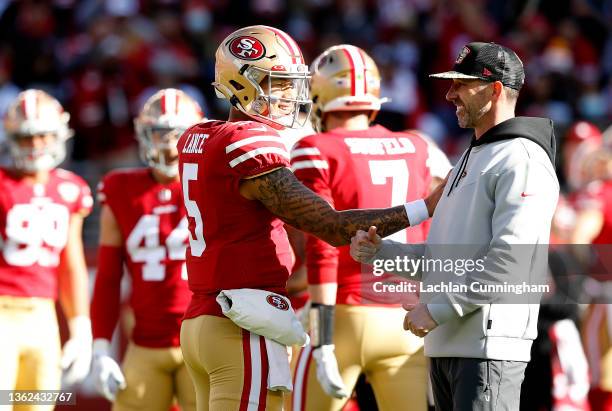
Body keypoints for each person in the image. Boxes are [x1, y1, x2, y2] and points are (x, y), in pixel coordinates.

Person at [176, 25, 445, 411]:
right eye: (278, 83)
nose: (287, 95)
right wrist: (425, 206)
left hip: (201, 324)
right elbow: (332, 228)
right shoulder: (250, 143)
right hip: (242, 326)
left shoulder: (199, 137)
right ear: (240, 82)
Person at [351, 41, 560, 410]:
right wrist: (382, 253)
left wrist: (436, 309)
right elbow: (445, 260)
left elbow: (510, 265)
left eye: (461, 84)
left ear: (495, 89)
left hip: (488, 349)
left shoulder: (523, 158)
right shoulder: (471, 155)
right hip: (449, 345)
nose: (449, 94)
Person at [289, 44, 451, 411]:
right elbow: (431, 234)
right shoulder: (416, 146)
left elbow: (322, 244)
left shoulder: (315, 148)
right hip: (406, 318)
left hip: (345, 314)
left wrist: (322, 335)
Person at [90, 88, 204, 411]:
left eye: (178, 136)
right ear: (143, 135)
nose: (169, 145)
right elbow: (109, 276)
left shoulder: (212, 186)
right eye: (159, 134)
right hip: (146, 341)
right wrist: (100, 347)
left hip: (203, 340)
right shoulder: (120, 189)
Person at [0, 89, 93, 402]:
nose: (36, 144)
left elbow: (72, 261)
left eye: (43, 136)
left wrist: (81, 326)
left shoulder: (70, 188)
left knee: (38, 403)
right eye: (27, 137)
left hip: (43, 316)